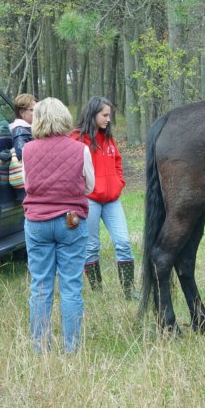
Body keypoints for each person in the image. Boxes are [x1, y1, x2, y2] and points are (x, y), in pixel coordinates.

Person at [22, 97, 95, 354]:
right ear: (64, 117)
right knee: (71, 286)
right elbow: (90, 186)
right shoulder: (80, 149)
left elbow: (27, 183)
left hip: (37, 222)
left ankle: (40, 347)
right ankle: (71, 347)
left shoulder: (27, 150)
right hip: (71, 221)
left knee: (40, 286)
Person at [71, 97, 136, 300]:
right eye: (105, 115)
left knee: (124, 242)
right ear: (93, 114)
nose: (109, 119)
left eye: (110, 115)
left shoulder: (108, 139)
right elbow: (71, 170)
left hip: (112, 201)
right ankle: (97, 292)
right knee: (91, 246)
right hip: (89, 200)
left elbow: (117, 161)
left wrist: (119, 182)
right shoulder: (76, 139)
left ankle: (129, 291)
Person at [10, 93, 37, 160]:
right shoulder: (20, 131)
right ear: (22, 112)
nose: (36, 113)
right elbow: (22, 154)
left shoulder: (27, 129)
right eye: (32, 110)